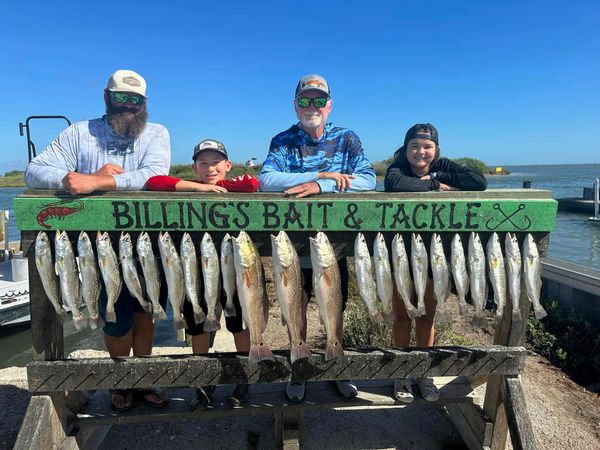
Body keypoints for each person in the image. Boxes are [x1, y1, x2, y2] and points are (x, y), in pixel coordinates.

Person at [25, 69, 171, 411]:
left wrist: (98, 184)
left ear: (144, 105)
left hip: (146, 242)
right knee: (115, 318)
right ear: (107, 97)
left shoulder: (157, 133)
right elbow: (35, 169)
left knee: (145, 312)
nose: (129, 106)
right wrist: (80, 177)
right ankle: (120, 380)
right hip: (98, 248)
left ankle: (145, 378)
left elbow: (154, 175)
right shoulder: (79, 133)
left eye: (136, 100)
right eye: (122, 98)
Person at [259, 74, 377, 403]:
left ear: (329, 106)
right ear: (295, 105)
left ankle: (337, 366)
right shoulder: (282, 141)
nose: (312, 106)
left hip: (332, 246)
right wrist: (321, 174)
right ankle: (300, 369)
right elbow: (266, 180)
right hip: (292, 249)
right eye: (305, 100)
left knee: (334, 308)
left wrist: (321, 188)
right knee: (295, 308)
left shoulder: (347, 138)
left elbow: (368, 180)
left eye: (318, 100)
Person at [148, 138, 257, 408]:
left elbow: (251, 184)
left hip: (231, 268)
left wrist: (216, 186)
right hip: (194, 270)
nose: (210, 168)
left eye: (216, 163)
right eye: (203, 163)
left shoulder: (231, 187)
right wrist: (198, 188)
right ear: (194, 167)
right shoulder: (187, 189)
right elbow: (155, 182)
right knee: (197, 325)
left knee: (238, 322)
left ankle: (243, 376)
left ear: (228, 165)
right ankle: (201, 379)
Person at [384, 123, 486, 403]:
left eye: (427, 146)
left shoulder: (442, 164)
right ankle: (400, 372)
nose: (421, 151)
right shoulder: (398, 168)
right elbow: (394, 184)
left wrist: (440, 174)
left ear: (436, 149)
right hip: (402, 254)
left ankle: (423, 372)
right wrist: (436, 184)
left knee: (427, 316)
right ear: (406, 149)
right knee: (403, 316)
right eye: (415, 146)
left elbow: (479, 180)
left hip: (435, 255)